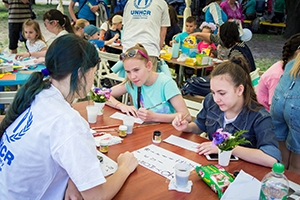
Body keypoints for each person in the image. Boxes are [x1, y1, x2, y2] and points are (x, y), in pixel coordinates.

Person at [0, 34, 138, 199]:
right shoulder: (67, 120)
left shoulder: (39, 94)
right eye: (92, 74)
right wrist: (124, 167)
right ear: (81, 74)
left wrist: (73, 178)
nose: (92, 81)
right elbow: (96, 197)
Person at [172, 56, 281, 168]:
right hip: (212, 168)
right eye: (213, 92)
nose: (216, 99)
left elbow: (271, 158)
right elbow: (200, 125)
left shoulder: (260, 117)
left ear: (239, 90)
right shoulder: (211, 101)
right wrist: (187, 127)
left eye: (222, 93)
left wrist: (227, 147)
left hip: (240, 173)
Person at [106, 43, 191, 123]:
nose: (132, 76)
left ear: (149, 66)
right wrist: (121, 105)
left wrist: (155, 117)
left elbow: (186, 116)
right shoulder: (132, 83)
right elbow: (101, 94)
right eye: (128, 72)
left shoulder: (166, 83)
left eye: (136, 70)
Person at [271, 53, 300, 174]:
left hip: (280, 98)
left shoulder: (292, 63)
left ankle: (276, 186)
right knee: (296, 167)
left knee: (280, 162)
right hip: (297, 107)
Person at [121, 0, 170, 71]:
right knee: (148, 81)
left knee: (131, 80)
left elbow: (125, 27)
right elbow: (163, 31)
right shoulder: (161, 3)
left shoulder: (130, 2)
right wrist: (157, 49)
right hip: (150, 49)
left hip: (128, 49)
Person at [257, 33, 300, 112]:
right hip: (266, 117)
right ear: (298, 53)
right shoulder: (277, 76)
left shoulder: (285, 67)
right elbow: (275, 110)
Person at [192, 21, 256, 72]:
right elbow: (211, 37)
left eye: (219, 33)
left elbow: (232, 72)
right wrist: (195, 35)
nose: (217, 34)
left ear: (225, 36)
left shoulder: (237, 52)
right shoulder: (233, 42)